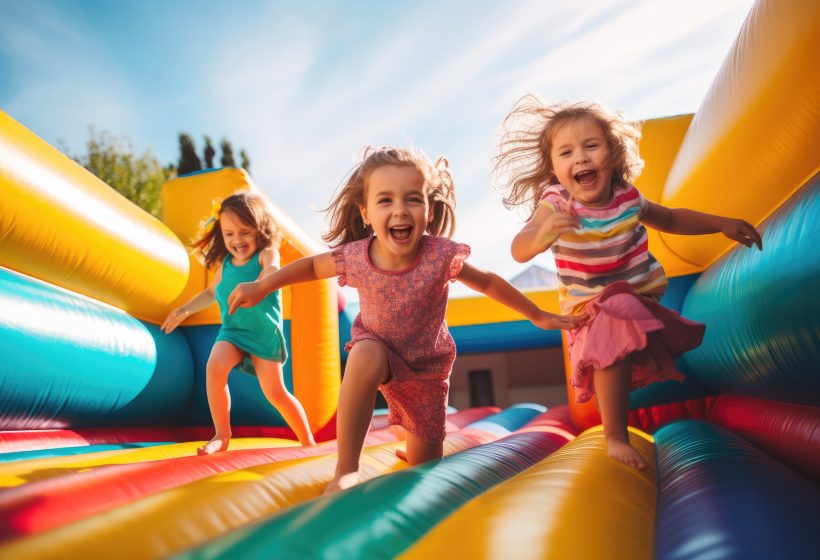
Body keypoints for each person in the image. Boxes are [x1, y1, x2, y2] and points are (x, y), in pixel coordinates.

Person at [228, 146, 584, 493]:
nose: (400, 210)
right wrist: (263, 285)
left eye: (412, 199)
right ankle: (346, 469)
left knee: (425, 467)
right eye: (385, 200)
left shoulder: (440, 255)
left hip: (426, 372)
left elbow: (488, 281)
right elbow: (310, 266)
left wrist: (536, 314)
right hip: (378, 351)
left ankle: (412, 438)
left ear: (429, 209)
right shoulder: (356, 256)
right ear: (365, 212)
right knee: (365, 352)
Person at [495, 96, 763, 470]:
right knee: (611, 338)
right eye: (567, 152)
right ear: (554, 169)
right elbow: (519, 249)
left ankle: (620, 425)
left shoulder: (627, 197)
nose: (581, 158)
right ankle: (615, 436)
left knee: (620, 323)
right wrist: (542, 236)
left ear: (613, 153)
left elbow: (670, 219)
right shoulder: (556, 202)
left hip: (638, 299)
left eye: (591, 146)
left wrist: (719, 223)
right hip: (589, 310)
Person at [161, 191, 316, 455]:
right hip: (232, 332)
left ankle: (308, 442)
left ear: (259, 229)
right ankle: (222, 435)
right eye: (229, 234)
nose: (237, 240)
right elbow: (211, 293)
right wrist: (184, 310)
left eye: (244, 232)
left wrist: (261, 283)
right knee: (215, 368)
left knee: (275, 393)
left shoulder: (266, 254)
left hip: (262, 333)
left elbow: (273, 269)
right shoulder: (226, 265)